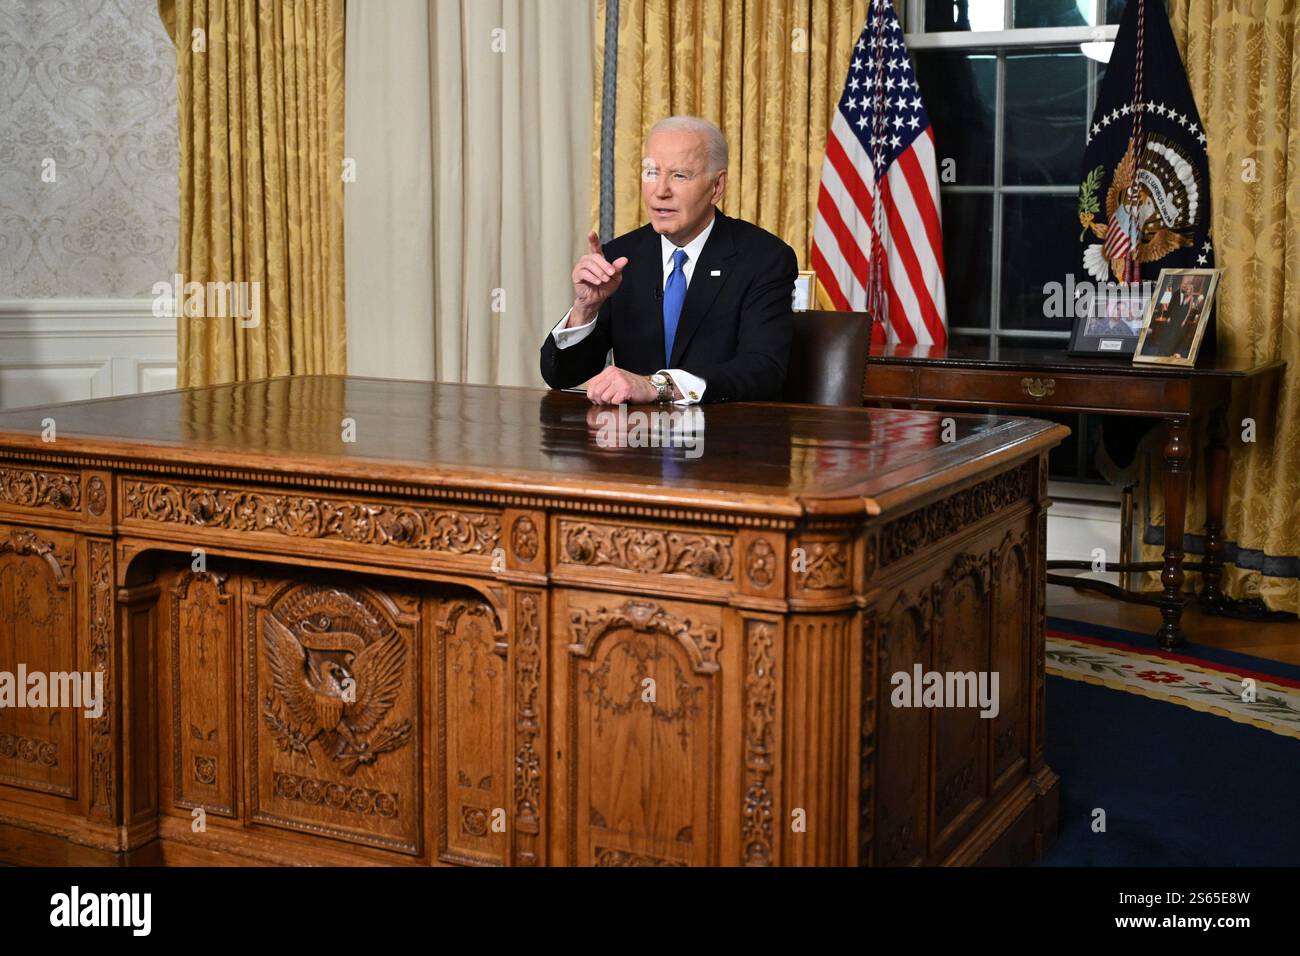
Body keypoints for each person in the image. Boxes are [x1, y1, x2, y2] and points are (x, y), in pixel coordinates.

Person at [540, 116, 797, 404]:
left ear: (717, 186)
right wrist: (584, 310)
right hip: (636, 440)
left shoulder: (764, 259)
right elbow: (561, 375)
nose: (660, 190)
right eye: (651, 172)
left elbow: (763, 371)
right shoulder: (620, 258)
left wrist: (659, 386)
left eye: (679, 175)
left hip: (722, 439)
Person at [1144, 275, 1205, 358]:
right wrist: (1168, 316)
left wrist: (1184, 321)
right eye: (1184, 283)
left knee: (1175, 336)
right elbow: (1170, 306)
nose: (1185, 285)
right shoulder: (1176, 293)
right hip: (1172, 318)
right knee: (1167, 334)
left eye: (1187, 284)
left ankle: (1170, 352)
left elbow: (1189, 311)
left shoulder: (1189, 297)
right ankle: (1162, 351)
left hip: (1180, 320)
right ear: (1181, 283)